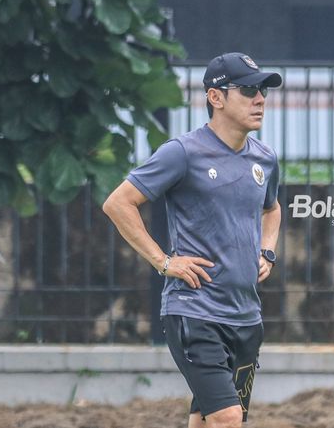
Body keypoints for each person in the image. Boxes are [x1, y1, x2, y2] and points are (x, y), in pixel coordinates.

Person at [103, 52, 282, 428]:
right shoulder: (182, 152)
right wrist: (164, 262)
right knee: (228, 418)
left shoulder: (264, 159)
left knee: (206, 418)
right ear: (216, 98)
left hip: (246, 315)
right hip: (195, 312)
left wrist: (268, 251)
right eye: (248, 90)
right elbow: (119, 204)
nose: (260, 99)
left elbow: (272, 208)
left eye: (262, 90)